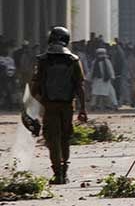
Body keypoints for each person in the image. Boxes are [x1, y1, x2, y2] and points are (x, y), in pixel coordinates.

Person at [30, 27, 87, 185]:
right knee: (65, 138)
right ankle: (65, 171)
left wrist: (30, 108)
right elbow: (80, 86)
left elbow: (36, 85)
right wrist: (83, 109)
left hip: (49, 106)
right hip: (68, 106)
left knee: (52, 139)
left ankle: (57, 173)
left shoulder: (43, 60)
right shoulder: (73, 60)